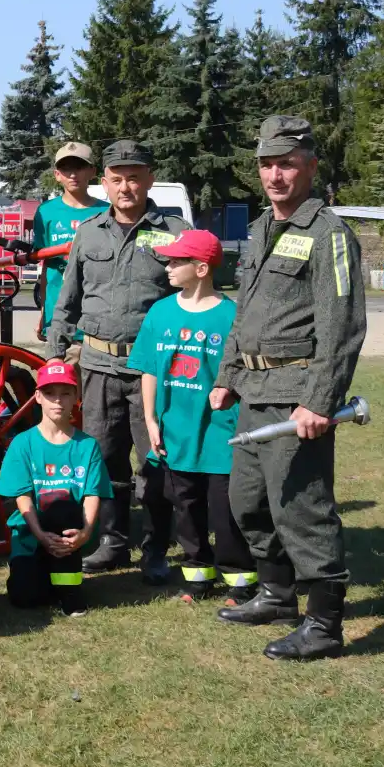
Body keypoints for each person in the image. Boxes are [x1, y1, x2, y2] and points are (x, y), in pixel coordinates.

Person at [211, 116, 366, 660]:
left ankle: (324, 624)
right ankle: (277, 595)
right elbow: (245, 312)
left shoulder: (329, 235)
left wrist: (320, 402)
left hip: (296, 395)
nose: (275, 175)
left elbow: (342, 325)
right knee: (247, 502)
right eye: (266, 164)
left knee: (301, 507)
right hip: (253, 391)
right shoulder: (259, 230)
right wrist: (228, 375)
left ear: (310, 167)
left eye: (287, 164)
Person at [47, 140, 187, 583]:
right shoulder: (88, 232)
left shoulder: (175, 232)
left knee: (155, 461)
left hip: (152, 371)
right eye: (116, 177)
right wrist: (54, 358)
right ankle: (112, 543)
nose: (125, 186)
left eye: (134, 176)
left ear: (149, 178)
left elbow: (193, 299)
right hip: (97, 365)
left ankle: (155, 549)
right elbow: (67, 301)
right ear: (103, 181)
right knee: (105, 459)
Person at [126, 230, 254, 603]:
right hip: (173, 432)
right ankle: (198, 576)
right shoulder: (160, 311)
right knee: (185, 508)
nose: (167, 267)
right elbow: (149, 368)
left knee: (224, 513)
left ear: (201, 268)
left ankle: (239, 580)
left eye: (176, 261)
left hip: (219, 433)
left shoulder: (232, 316)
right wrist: (150, 419)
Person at [0, 361, 108, 616]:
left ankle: (70, 592)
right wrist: (39, 535)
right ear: (38, 397)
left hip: (69, 529)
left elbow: (92, 494)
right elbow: (22, 498)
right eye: (50, 393)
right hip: (32, 533)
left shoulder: (88, 445)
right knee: (25, 598)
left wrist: (87, 531)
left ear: (76, 397)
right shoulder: (22, 444)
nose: (57, 401)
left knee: (63, 505)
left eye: (65, 393)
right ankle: (46, 576)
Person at [30, 143, 108, 341]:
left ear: (92, 171)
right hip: (58, 312)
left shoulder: (108, 212)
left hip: (97, 313)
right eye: (66, 169)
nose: (73, 174)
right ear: (57, 174)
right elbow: (45, 266)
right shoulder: (46, 212)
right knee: (59, 371)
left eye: (80, 167)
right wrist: (42, 313)